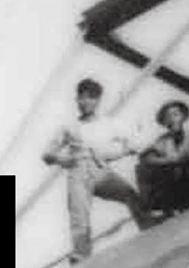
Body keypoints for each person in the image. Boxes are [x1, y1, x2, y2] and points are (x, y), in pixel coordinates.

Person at [42, 77, 151, 264]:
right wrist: (61, 159)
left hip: (101, 170)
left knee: (129, 194)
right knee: (79, 214)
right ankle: (82, 255)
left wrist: (126, 150)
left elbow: (134, 143)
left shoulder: (109, 123)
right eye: (82, 97)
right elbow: (46, 154)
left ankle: (148, 226)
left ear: (98, 100)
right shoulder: (69, 127)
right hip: (79, 171)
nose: (86, 102)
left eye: (91, 97)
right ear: (77, 100)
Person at [133, 100, 189, 218]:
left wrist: (175, 158)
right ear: (165, 122)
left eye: (176, 114)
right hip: (180, 184)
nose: (173, 118)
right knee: (142, 168)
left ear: (183, 116)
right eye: (168, 116)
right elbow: (146, 157)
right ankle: (159, 208)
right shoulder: (163, 140)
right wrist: (167, 160)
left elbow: (187, 153)